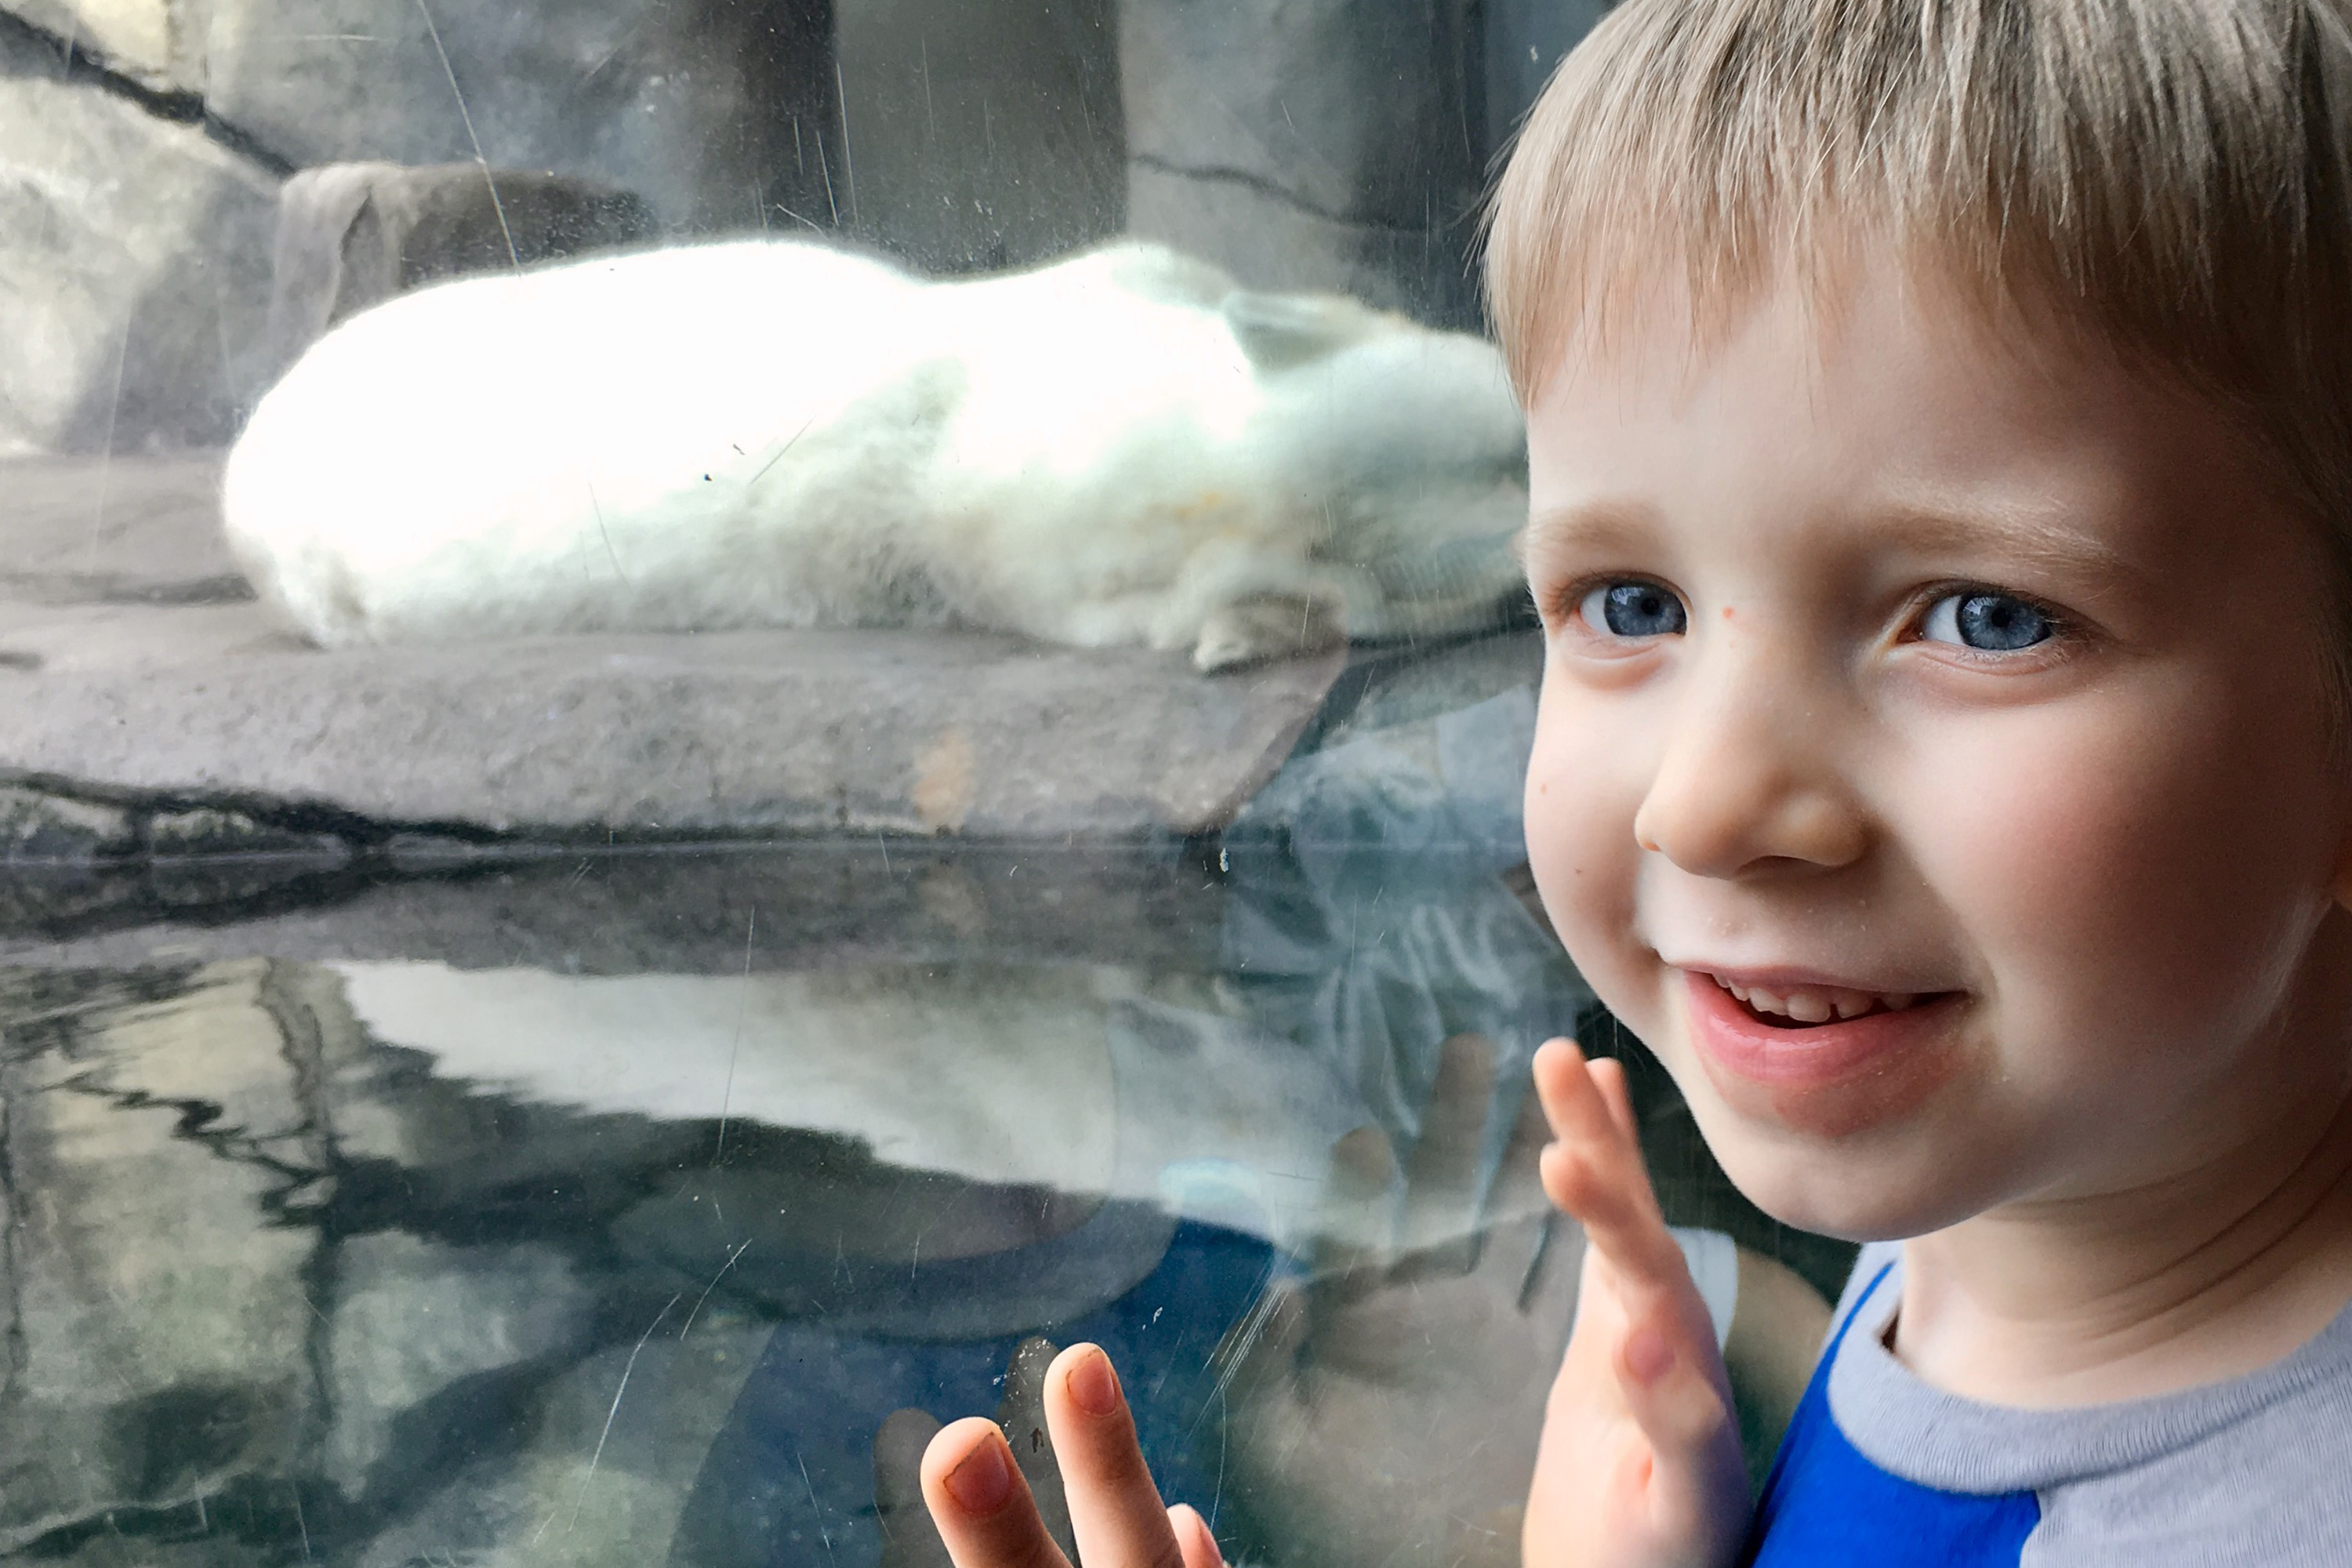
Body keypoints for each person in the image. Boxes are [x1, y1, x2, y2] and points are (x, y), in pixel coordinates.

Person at [904, 0, 2352, 1561]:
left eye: (1984, 619)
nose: (1702, 806)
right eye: (1632, 603)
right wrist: (1727, 1359)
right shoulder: (2045, 1194)